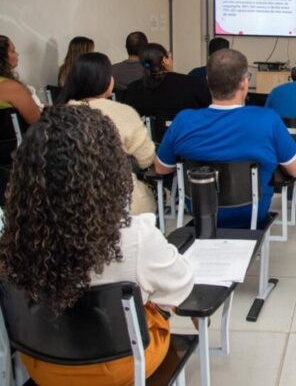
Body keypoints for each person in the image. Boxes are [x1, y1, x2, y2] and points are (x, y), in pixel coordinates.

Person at [0, 104, 193, 386]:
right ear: (110, 169)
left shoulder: (14, 235)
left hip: (44, 367)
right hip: (122, 368)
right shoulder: (134, 236)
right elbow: (180, 286)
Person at [154, 49, 296, 228]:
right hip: (252, 212)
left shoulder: (183, 121)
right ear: (245, 82)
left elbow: (161, 168)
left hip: (200, 210)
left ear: (208, 81)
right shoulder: (267, 120)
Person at [58, 52, 157, 214]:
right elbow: (146, 159)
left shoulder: (60, 113)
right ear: (106, 80)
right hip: (121, 203)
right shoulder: (123, 113)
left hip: (69, 203)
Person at [125, 42, 211, 115]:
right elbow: (208, 109)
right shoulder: (191, 84)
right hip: (186, 133)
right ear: (165, 60)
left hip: (151, 134)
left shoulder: (133, 89)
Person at [0, 35, 42, 124]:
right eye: (13, 51)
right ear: (2, 57)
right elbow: (37, 122)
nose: (17, 54)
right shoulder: (9, 87)